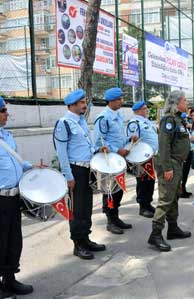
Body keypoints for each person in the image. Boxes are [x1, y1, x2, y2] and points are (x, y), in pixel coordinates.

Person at [54, 89, 106, 260]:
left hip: (86, 169)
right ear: (72, 105)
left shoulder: (81, 121)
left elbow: (86, 146)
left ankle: (86, 238)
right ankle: (78, 244)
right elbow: (61, 153)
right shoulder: (64, 123)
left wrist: (97, 149)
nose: (85, 105)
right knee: (76, 209)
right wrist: (68, 176)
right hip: (74, 171)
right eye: (82, 103)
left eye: (85, 102)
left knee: (86, 207)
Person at [148, 90, 191, 252]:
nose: (187, 103)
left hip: (177, 163)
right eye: (185, 100)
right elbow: (164, 145)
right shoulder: (169, 120)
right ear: (176, 103)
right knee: (166, 198)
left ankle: (172, 228)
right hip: (170, 163)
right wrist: (167, 168)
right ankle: (155, 234)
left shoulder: (178, 119)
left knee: (174, 196)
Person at [0, 96, 34, 297]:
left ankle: (10, 279)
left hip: (14, 196)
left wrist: (32, 168)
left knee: (14, 240)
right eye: (3, 111)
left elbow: (16, 162)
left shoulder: (7, 136)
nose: (7, 114)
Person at [94, 87, 135, 235]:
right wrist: (118, 150)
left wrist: (129, 139)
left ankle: (116, 217)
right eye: (119, 99)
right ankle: (110, 221)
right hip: (109, 160)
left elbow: (118, 138)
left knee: (118, 190)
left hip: (118, 160)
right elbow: (99, 141)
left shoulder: (117, 116)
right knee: (109, 190)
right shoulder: (103, 118)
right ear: (111, 101)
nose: (121, 101)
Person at [126, 100, 158, 218]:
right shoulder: (134, 123)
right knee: (143, 181)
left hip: (150, 157)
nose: (147, 110)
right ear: (138, 111)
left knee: (150, 181)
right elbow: (133, 141)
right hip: (141, 157)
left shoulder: (146, 122)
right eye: (144, 108)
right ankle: (143, 206)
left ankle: (148, 204)